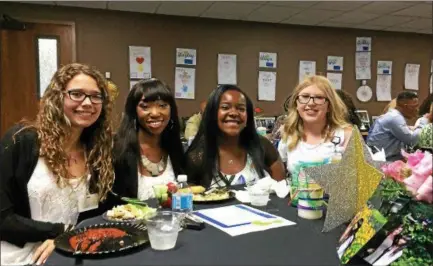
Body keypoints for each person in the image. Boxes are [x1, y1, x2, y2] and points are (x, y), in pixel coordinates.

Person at [0, 63, 115, 265]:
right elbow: (3, 218)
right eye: (77, 94)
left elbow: (98, 214)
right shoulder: (22, 141)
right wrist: (60, 232)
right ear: (58, 97)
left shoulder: (97, 151)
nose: (88, 102)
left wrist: (68, 237)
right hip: (18, 256)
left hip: (73, 251)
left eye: (96, 96)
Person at [185, 85, 285, 188]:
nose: (233, 113)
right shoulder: (198, 154)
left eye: (241, 109)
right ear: (213, 114)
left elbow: (281, 190)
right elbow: (188, 197)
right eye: (225, 107)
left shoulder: (262, 145)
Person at [111, 78, 184, 201]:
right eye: (145, 107)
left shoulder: (175, 148)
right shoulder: (117, 150)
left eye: (162, 106)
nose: (155, 113)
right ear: (133, 111)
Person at [278, 75, 352, 181]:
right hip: (297, 196)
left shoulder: (346, 135)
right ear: (296, 104)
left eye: (319, 98)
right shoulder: (288, 134)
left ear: (329, 106)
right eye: (305, 96)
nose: (311, 103)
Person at [367, 91, 422, 161]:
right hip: (384, 162)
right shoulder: (395, 117)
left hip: (383, 158)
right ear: (406, 106)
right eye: (414, 106)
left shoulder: (392, 115)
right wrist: (422, 124)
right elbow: (411, 140)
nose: (417, 110)